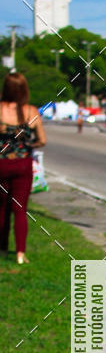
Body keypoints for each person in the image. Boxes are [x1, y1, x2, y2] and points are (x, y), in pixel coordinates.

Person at [0, 71, 46, 264]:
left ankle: (2, 248)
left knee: (2, 208)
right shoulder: (31, 112)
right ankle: (20, 254)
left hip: (2, 163)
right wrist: (28, 146)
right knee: (20, 209)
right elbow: (42, 140)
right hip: (23, 164)